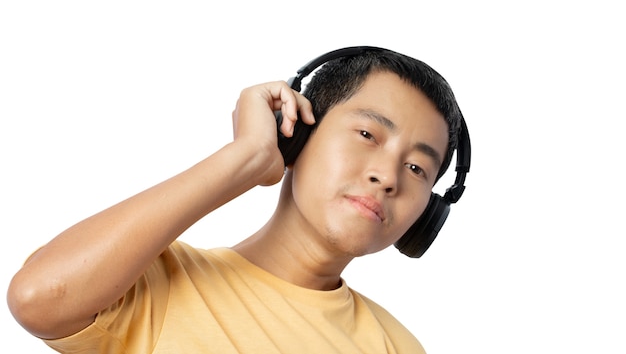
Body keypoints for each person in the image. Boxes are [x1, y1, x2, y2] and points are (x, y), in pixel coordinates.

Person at [7, 46, 469, 353]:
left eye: (416, 169)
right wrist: (244, 158)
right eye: (367, 134)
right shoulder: (156, 283)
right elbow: (37, 299)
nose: (387, 176)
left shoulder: (397, 346)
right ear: (297, 132)